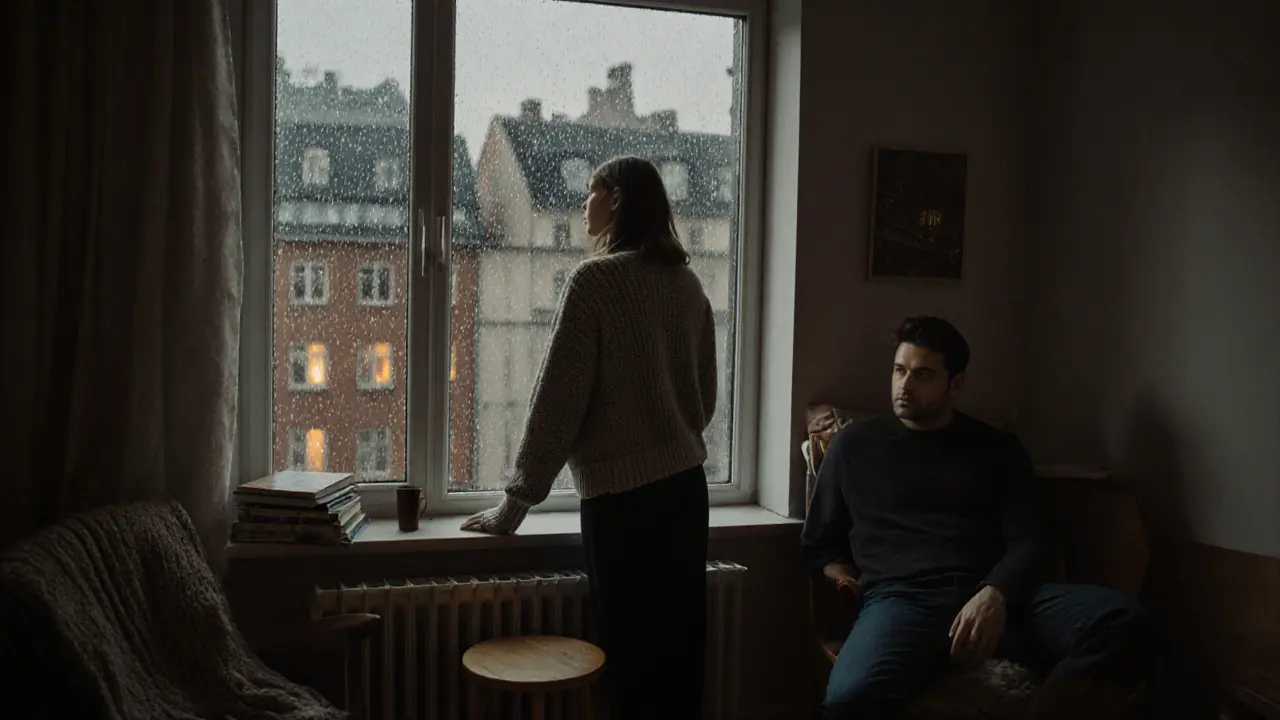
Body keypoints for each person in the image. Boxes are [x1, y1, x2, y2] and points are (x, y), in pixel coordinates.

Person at [461, 155, 717, 719]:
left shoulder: (594, 282)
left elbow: (558, 400)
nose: (583, 204)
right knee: (678, 658)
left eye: (591, 192)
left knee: (629, 661)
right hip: (685, 496)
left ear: (617, 199)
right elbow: (706, 398)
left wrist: (515, 502)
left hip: (624, 505)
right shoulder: (688, 283)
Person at [802, 317, 1151, 720]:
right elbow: (817, 544)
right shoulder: (853, 446)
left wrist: (995, 594)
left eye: (923, 375)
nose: (905, 385)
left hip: (1000, 598)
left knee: (1122, 620)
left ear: (957, 385)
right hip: (904, 601)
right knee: (847, 701)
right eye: (900, 371)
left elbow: (1031, 539)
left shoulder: (995, 448)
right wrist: (847, 582)